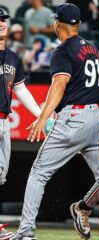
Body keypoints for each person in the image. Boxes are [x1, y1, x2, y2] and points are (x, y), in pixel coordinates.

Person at [10, 4, 99, 240]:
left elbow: (59, 85)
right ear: (78, 24)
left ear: (56, 24)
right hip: (95, 118)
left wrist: (42, 116)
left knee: (38, 173)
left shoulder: (61, 51)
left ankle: (26, 232)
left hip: (73, 118)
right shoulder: (92, 47)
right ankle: (83, 207)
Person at [0, 8, 42, 240]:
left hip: (4, 121)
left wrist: (40, 115)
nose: (1, 23)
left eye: (3, 19)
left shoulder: (13, 57)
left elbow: (20, 89)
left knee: (0, 175)